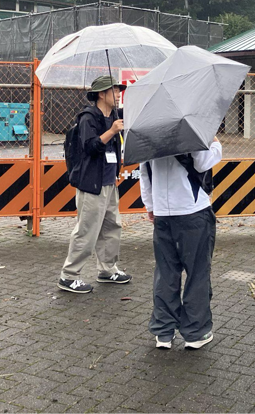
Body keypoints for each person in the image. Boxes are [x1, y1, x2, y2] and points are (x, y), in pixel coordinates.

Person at [139, 138, 222, 350]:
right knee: (197, 273)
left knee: (165, 273)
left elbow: (145, 172)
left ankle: (163, 332)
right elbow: (203, 162)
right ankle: (196, 332)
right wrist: (215, 144)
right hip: (192, 211)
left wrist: (150, 205)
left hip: (163, 214)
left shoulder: (148, 132)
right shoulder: (189, 128)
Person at [57, 75, 131, 293]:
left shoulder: (114, 117)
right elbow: (90, 146)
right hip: (92, 184)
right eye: (115, 90)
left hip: (109, 182)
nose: (119, 94)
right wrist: (112, 132)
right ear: (101, 94)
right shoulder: (88, 118)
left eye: (119, 90)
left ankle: (108, 269)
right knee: (87, 231)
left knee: (111, 227)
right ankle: (68, 275)